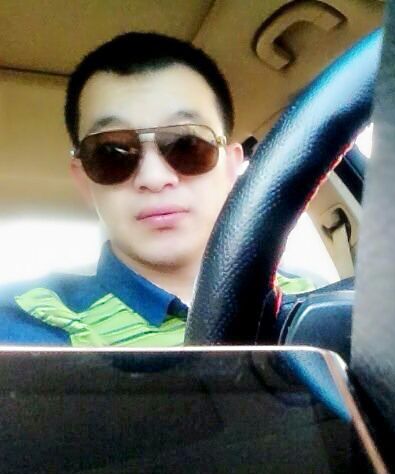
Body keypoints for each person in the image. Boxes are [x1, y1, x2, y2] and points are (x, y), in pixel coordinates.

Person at [0, 32, 313, 347]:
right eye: (112, 153)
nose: (153, 177)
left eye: (187, 144)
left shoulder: (312, 302)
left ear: (231, 168)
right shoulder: (28, 323)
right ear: (84, 180)